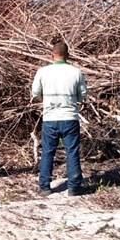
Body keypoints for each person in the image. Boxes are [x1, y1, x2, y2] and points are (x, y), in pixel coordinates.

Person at [31, 41, 87, 196]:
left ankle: (45, 186)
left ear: (52, 55)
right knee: (72, 152)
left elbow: (35, 93)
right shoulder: (76, 72)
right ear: (68, 55)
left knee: (48, 152)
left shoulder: (43, 72)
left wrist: (46, 99)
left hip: (50, 118)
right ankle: (74, 187)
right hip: (70, 117)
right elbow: (83, 95)